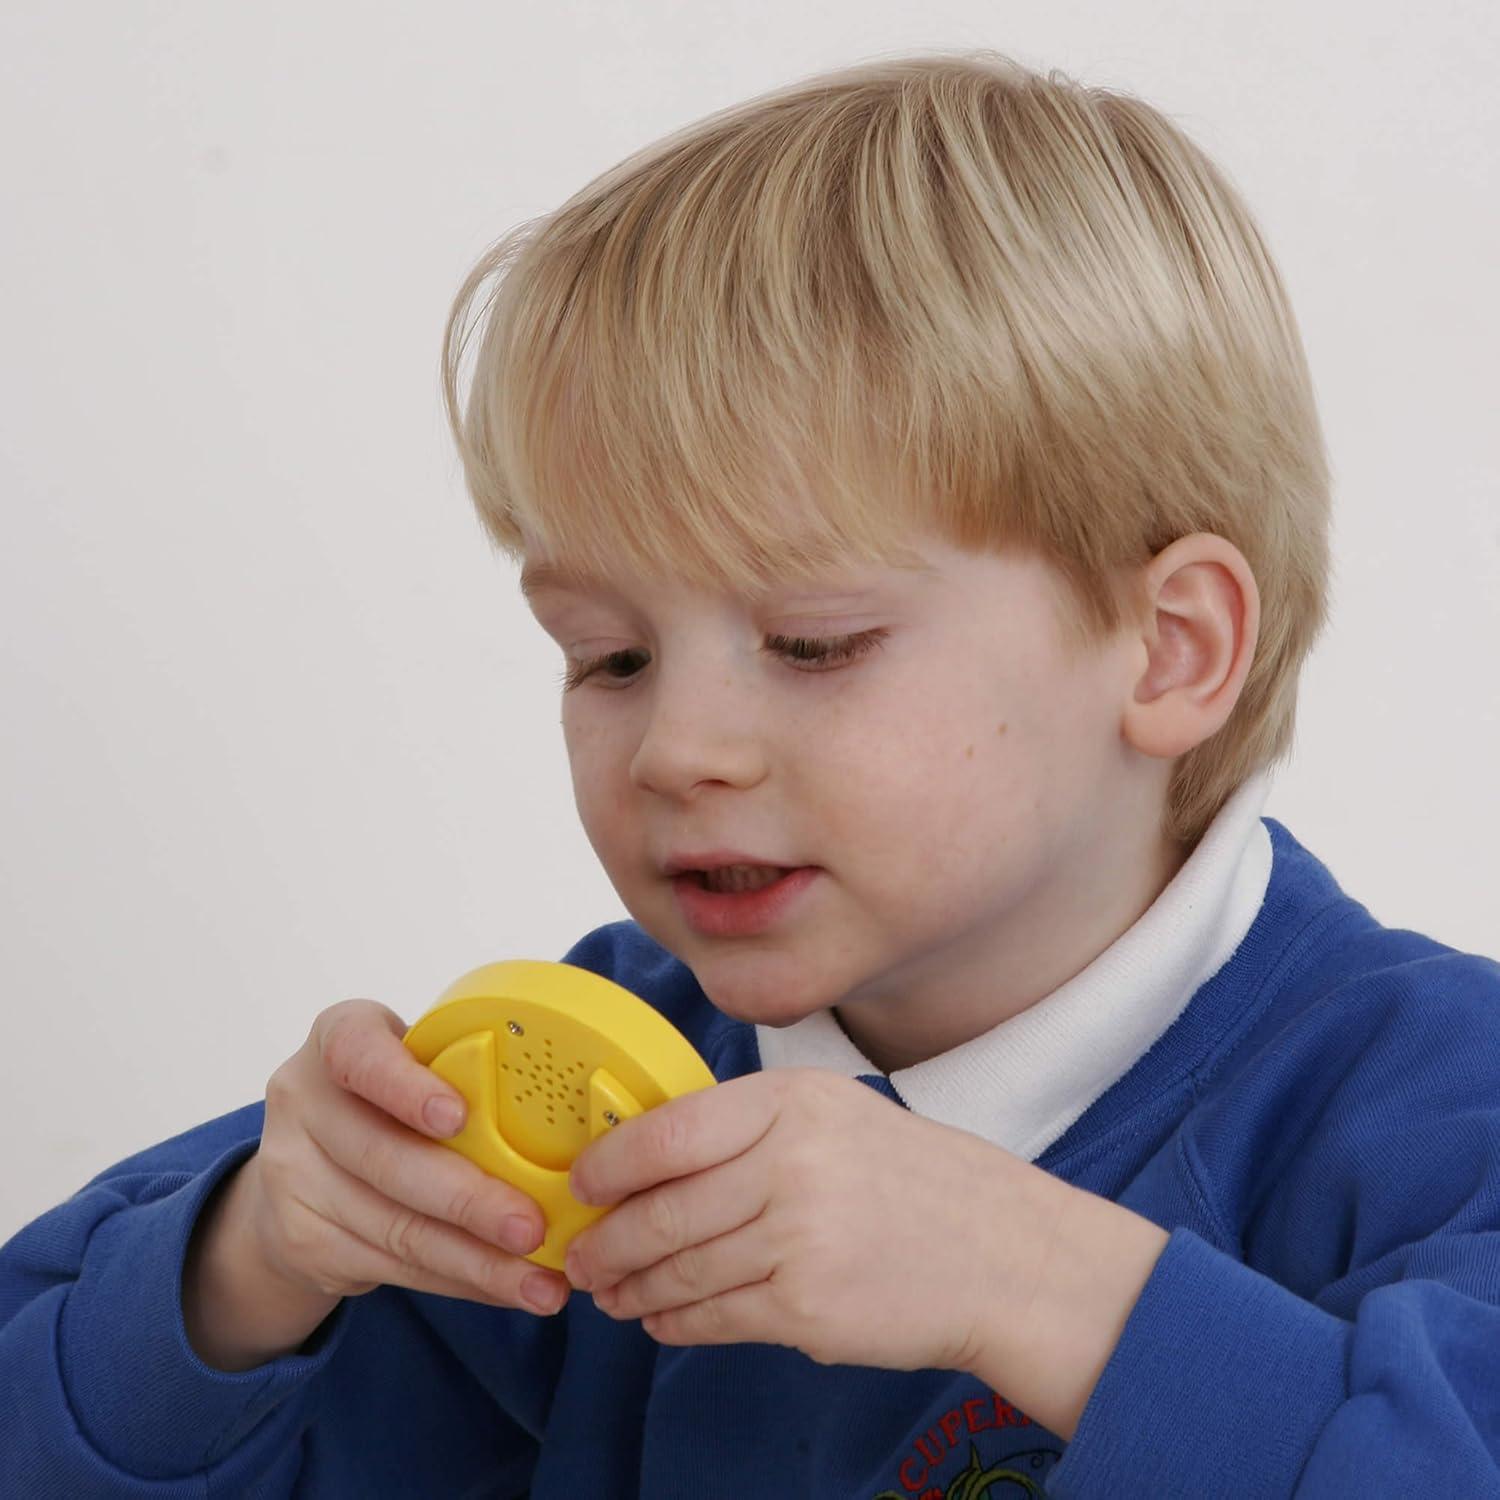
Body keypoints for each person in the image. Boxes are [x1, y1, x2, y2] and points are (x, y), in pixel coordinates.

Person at [3, 47, 1497, 1499]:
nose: (677, 751)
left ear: (1167, 650)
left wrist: (1031, 1284)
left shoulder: (1434, 1105)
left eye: (813, 641)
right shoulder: (580, 1109)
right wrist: (255, 1258)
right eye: (609, 657)